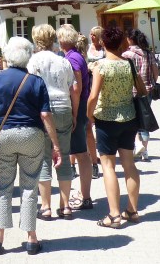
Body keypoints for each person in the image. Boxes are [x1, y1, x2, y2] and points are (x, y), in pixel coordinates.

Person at [0, 37, 62, 255]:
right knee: (29, 187)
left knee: (3, 188)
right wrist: (56, 145)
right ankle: (31, 238)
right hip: (32, 135)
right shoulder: (36, 81)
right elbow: (45, 115)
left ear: (7, 55)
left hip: (4, 134)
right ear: (28, 56)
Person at [87, 26, 142, 229]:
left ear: (103, 43)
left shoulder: (101, 66)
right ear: (121, 43)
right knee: (129, 165)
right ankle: (133, 210)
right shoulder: (129, 64)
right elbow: (142, 89)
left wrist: (88, 114)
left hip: (106, 119)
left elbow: (93, 96)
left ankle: (114, 214)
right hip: (129, 117)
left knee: (108, 167)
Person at [27, 24, 75, 220]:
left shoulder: (33, 61)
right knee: (63, 155)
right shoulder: (63, 61)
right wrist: (74, 113)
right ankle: (65, 207)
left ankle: (45, 206)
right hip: (64, 107)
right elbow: (71, 86)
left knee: (44, 157)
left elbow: (29, 88)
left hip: (43, 110)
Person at [59, 25, 95, 210]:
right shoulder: (76, 56)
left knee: (80, 154)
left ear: (62, 40)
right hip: (80, 108)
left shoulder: (71, 58)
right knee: (80, 153)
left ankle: (85, 197)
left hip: (77, 108)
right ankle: (85, 196)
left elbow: (76, 87)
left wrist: (74, 113)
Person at [123, 29, 160, 162]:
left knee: (132, 120)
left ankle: (137, 145)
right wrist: (152, 83)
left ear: (130, 39)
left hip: (131, 91)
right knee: (144, 120)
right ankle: (145, 151)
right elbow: (156, 71)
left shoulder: (127, 55)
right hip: (147, 90)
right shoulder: (148, 53)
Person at [85, 27, 105, 179]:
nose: (91, 37)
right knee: (89, 120)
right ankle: (92, 153)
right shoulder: (88, 48)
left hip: (102, 83)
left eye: (94, 35)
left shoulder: (104, 48)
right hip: (90, 82)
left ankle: (99, 151)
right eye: (90, 34)